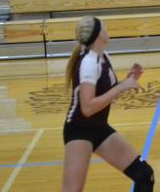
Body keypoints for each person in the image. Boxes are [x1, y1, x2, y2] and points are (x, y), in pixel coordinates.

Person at [62, 16, 154, 192]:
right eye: (104, 26)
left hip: (99, 128)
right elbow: (87, 108)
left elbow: (105, 93)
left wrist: (126, 81)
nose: (107, 28)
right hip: (79, 130)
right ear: (98, 34)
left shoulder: (103, 56)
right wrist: (121, 87)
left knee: (144, 175)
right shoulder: (89, 62)